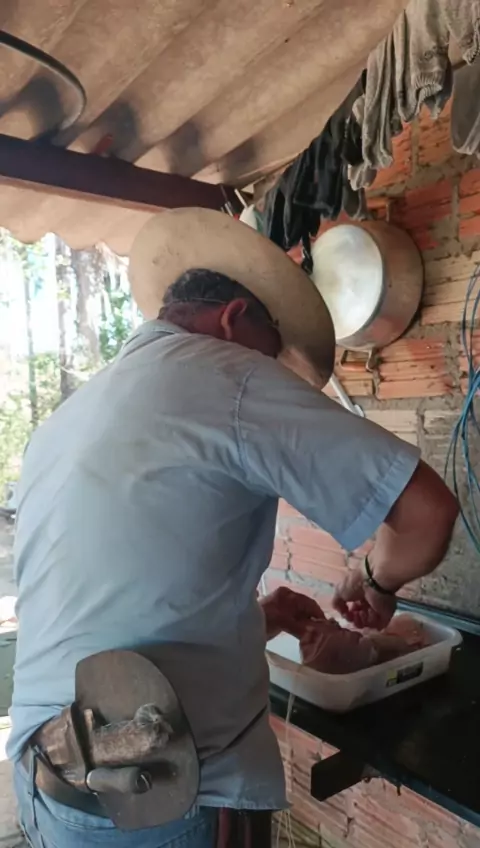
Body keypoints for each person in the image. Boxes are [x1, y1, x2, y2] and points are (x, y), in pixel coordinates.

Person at [9, 208, 458, 848]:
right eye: (273, 353)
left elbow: (115, 595)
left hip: (46, 780)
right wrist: (376, 582)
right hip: (150, 796)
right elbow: (426, 513)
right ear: (233, 320)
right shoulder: (226, 372)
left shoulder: (70, 415)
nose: (274, 371)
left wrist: (260, 618)